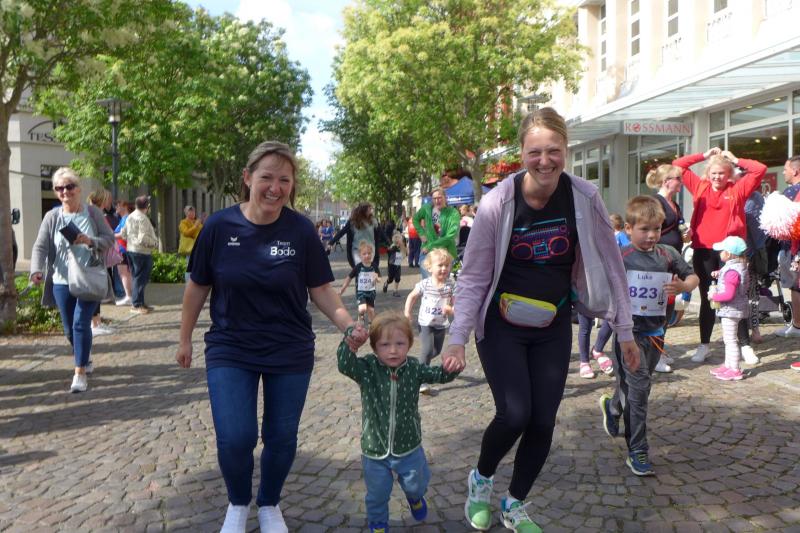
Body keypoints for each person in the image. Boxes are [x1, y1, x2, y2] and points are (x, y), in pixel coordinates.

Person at [442, 108, 638, 532]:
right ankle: (481, 479)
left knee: (543, 420)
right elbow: (473, 277)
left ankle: (514, 504)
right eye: (535, 152)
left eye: (554, 151)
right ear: (521, 153)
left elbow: (612, 264)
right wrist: (457, 337)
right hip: (501, 326)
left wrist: (624, 330)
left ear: (566, 150)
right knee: (515, 414)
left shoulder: (584, 196)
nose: (545, 161)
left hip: (552, 325)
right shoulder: (497, 202)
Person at [176, 141, 368, 533]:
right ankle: (237, 503)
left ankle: (268, 503)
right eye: (267, 177)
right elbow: (197, 286)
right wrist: (184, 339)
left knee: (281, 438)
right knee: (236, 437)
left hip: (289, 348)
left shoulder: (301, 230)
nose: (275, 188)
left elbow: (321, 289)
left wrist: (348, 325)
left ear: (292, 186)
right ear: (248, 178)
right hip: (231, 346)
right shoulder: (218, 227)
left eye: (284, 180)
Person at [598, 196, 698, 476]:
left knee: (634, 386)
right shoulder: (621, 256)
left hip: (656, 333)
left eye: (656, 229)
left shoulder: (667, 254)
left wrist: (682, 286)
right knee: (640, 390)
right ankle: (638, 450)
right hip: (627, 335)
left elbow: (693, 277)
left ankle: (613, 406)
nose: (651, 235)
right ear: (628, 229)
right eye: (644, 229)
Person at [337, 311, 460, 533]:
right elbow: (345, 364)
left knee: (416, 485)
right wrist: (351, 341)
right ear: (374, 347)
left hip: (408, 446)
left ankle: (415, 498)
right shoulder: (367, 368)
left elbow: (438, 375)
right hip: (375, 450)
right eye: (385, 345)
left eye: (400, 343)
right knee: (377, 494)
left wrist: (451, 368)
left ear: (409, 344)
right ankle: (378, 524)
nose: (393, 350)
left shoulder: (414, 368)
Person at [672, 148, 766, 364]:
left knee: (736, 298)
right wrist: (704, 156)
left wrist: (735, 159)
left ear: (729, 174)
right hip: (703, 250)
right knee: (708, 297)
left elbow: (760, 169)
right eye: (713, 173)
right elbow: (678, 165)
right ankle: (704, 345)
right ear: (708, 174)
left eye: (722, 173)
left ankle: (745, 345)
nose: (717, 177)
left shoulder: (738, 189)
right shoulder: (700, 186)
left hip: (731, 253)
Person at [29, 167, 115, 393]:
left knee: (80, 323)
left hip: (88, 278)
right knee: (69, 330)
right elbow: (40, 246)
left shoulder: (92, 213)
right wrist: (36, 270)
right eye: (59, 188)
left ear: (79, 188)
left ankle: (80, 373)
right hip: (61, 280)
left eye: (69, 186)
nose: (64, 191)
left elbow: (109, 239)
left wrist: (90, 241)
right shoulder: (52, 217)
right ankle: (84, 356)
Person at [645, 164, 690, 373]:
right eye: (678, 178)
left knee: (667, 308)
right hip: (658, 263)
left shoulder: (674, 204)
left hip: (671, 263)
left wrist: (685, 235)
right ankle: (654, 355)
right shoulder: (655, 202)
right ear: (666, 181)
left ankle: (659, 350)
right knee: (658, 309)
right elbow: (649, 231)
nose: (681, 182)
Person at [403, 248, 456, 394]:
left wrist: (451, 309)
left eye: (447, 265)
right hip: (425, 323)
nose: (444, 268)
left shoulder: (451, 284)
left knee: (436, 351)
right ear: (430, 268)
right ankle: (421, 381)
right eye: (440, 265)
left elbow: (456, 302)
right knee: (427, 350)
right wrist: (407, 312)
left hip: (441, 323)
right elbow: (412, 296)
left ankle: (416, 365)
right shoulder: (425, 284)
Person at [708, 236, 750, 381]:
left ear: (729, 254)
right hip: (734, 309)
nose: (719, 253)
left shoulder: (732, 272)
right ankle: (728, 365)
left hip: (731, 310)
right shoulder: (737, 266)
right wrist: (719, 273)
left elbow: (729, 294)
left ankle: (735, 369)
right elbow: (730, 276)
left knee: (730, 340)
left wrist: (713, 296)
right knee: (728, 339)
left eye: (721, 251)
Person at [120, 195, 158, 314]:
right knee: (141, 279)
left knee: (137, 277)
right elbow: (142, 238)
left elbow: (123, 234)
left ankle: (140, 303)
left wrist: (131, 241)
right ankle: (136, 305)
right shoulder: (143, 218)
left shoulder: (130, 216)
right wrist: (154, 243)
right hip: (142, 252)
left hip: (131, 250)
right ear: (147, 206)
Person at [86, 189, 116, 337]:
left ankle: (96, 321)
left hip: (98, 256)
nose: (109, 202)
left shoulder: (95, 212)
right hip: (94, 257)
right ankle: (93, 323)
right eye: (107, 199)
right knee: (95, 290)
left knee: (98, 291)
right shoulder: (92, 213)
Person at [776, 156, 800, 338]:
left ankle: (797, 325)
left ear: (795, 171)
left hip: (793, 246)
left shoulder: (790, 193)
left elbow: (780, 222)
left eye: (786, 169)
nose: (783, 172)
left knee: (795, 286)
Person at [413, 188, 459, 278]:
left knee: (442, 283)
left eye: (439, 197)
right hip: (427, 253)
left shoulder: (453, 213)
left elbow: (450, 236)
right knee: (427, 282)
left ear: (445, 198)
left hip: (446, 253)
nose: (437, 201)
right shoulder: (426, 209)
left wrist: (430, 246)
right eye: (434, 198)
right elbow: (415, 219)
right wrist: (421, 233)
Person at [328, 203, 381, 269]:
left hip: (370, 250)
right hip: (357, 250)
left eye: (371, 209)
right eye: (369, 209)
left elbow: (381, 233)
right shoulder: (353, 221)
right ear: (363, 210)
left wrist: (389, 243)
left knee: (368, 270)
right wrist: (331, 243)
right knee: (360, 269)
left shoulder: (373, 221)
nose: (371, 211)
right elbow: (342, 232)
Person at [340, 240, 380, 324]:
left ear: (372, 254)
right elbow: (349, 278)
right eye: (364, 254)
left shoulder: (374, 266)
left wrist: (376, 278)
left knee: (371, 312)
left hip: (371, 293)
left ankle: (370, 328)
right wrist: (342, 289)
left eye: (369, 253)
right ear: (360, 255)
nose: (367, 255)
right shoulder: (358, 267)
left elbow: (379, 278)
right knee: (362, 308)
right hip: (361, 292)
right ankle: (360, 315)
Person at [113, 200, 133, 306]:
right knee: (124, 273)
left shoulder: (126, 219)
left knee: (124, 273)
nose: (116, 207)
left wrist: (111, 235)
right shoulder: (124, 219)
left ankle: (129, 296)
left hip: (123, 250)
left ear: (125, 206)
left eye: (118, 205)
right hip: (122, 249)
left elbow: (123, 234)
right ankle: (129, 296)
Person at [383, 231, 406, 296]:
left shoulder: (402, 247)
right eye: (397, 242)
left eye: (399, 242)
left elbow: (405, 254)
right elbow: (389, 250)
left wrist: (403, 249)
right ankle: (386, 283)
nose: (398, 244)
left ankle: (395, 291)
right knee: (390, 279)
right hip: (391, 266)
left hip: (398, 265)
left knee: (397, 278)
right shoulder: (392, 247)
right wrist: (390, 248)